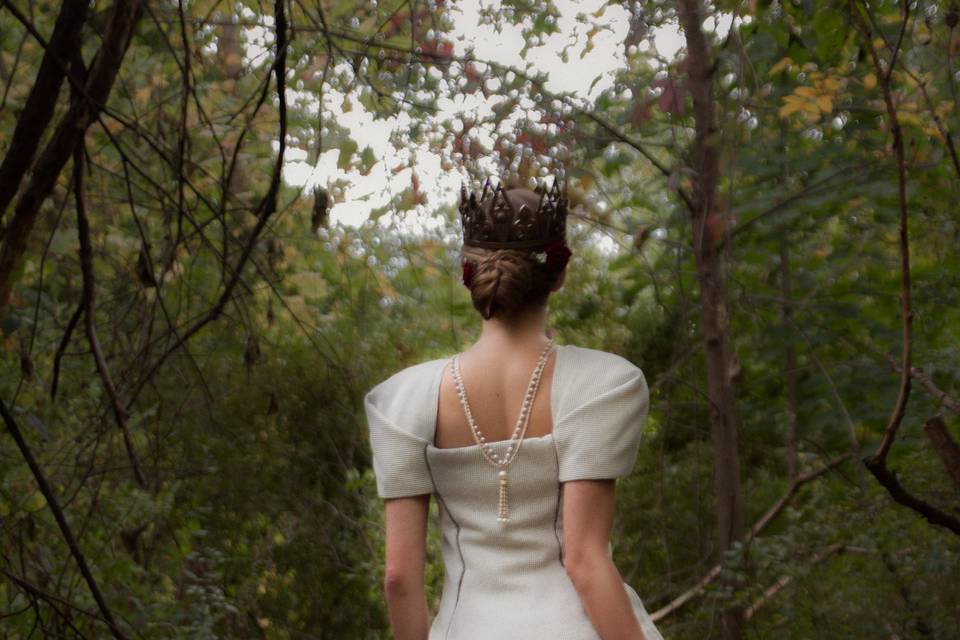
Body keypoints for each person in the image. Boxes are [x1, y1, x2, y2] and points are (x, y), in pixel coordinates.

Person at [363, 178, 664, 640]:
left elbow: (399, 578)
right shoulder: (603, 386)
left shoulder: (401, 402)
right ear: (559, 274)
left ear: (468, 273)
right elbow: (584, 562)